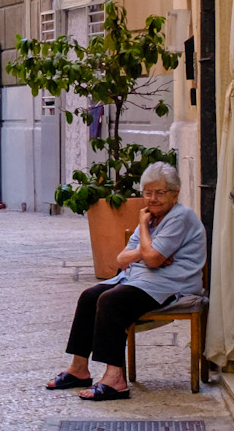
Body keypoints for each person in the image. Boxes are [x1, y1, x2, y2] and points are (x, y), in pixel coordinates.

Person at [49, 161, 205, 400]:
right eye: (148, 193)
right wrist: (147, 248)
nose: (152, 199)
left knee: (112, 301)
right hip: (140, 279)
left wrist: (145, 242)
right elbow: (122, 259)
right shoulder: (151, 218)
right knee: (90, 296)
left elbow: (152, 260)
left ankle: (115, 379)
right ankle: (79, 369)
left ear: (175, 194)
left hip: (171, 284)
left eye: (160, 193)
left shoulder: (180, 216)